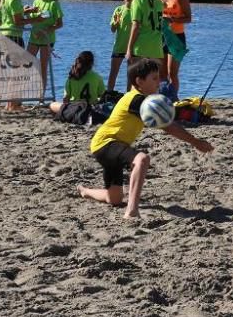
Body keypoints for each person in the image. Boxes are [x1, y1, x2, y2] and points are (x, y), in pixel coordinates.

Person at [77, 59, 213, 218]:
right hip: (107, 143)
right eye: (154, 78)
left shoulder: (142, 99)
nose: (159, 82)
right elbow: (168, 126)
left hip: (108, 146)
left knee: (113, 198)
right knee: (141, 159)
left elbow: (167, 120)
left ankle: (85, 191)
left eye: (159, 77)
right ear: (139, 81)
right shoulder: (137, 100)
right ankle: (132, 211)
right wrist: (196, 142)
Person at [0, 0, 36, 111]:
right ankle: (13, 104)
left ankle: (10, 103)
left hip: (6, 35)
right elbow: (18, 21)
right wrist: (35, 20)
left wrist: (27, 11)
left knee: (14, 71)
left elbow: (13, 16)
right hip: (13, 36)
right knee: (18, 72)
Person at [124, 0, 168, 84]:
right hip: (156, 47)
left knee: (134, 81)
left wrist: (129, 49)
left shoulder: (137, 2)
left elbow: (135, 26)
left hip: (141, 47)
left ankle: (134, 101)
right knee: (154, 82)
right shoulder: (159, 2)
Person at [27, 0, 64, 102]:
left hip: (46, 40)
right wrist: (27, 12)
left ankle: (40, 97)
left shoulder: (53, 3)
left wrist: (45, 31)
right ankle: (22, 93)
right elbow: (33, 20)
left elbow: (59, 24)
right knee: (26, 63)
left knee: (43, 67)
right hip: (33, 37)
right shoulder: (36, 2)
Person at [156, 0, 192, 95]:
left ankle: (173, 98)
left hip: (176, 37)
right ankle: (163, 97)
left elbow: (188, 18)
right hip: (161, 36)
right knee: (161, 73)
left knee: (172, 73)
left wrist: (172, 19)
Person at [49, 51, 107, 119]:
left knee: (52, 105)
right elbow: (103, 96)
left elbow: (66, 98)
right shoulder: (97, 77)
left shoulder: (72, 77)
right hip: (91, 110)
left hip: (74, 110)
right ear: (92, 63)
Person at [108, 0, 139, 93]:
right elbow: (112, 29)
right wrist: (115, 23)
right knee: (113, 73)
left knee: (130, 74)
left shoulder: (137, 10)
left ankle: (128, 95)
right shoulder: (119, 10)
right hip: (119, 46)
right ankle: (109, 93)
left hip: (133, 47)